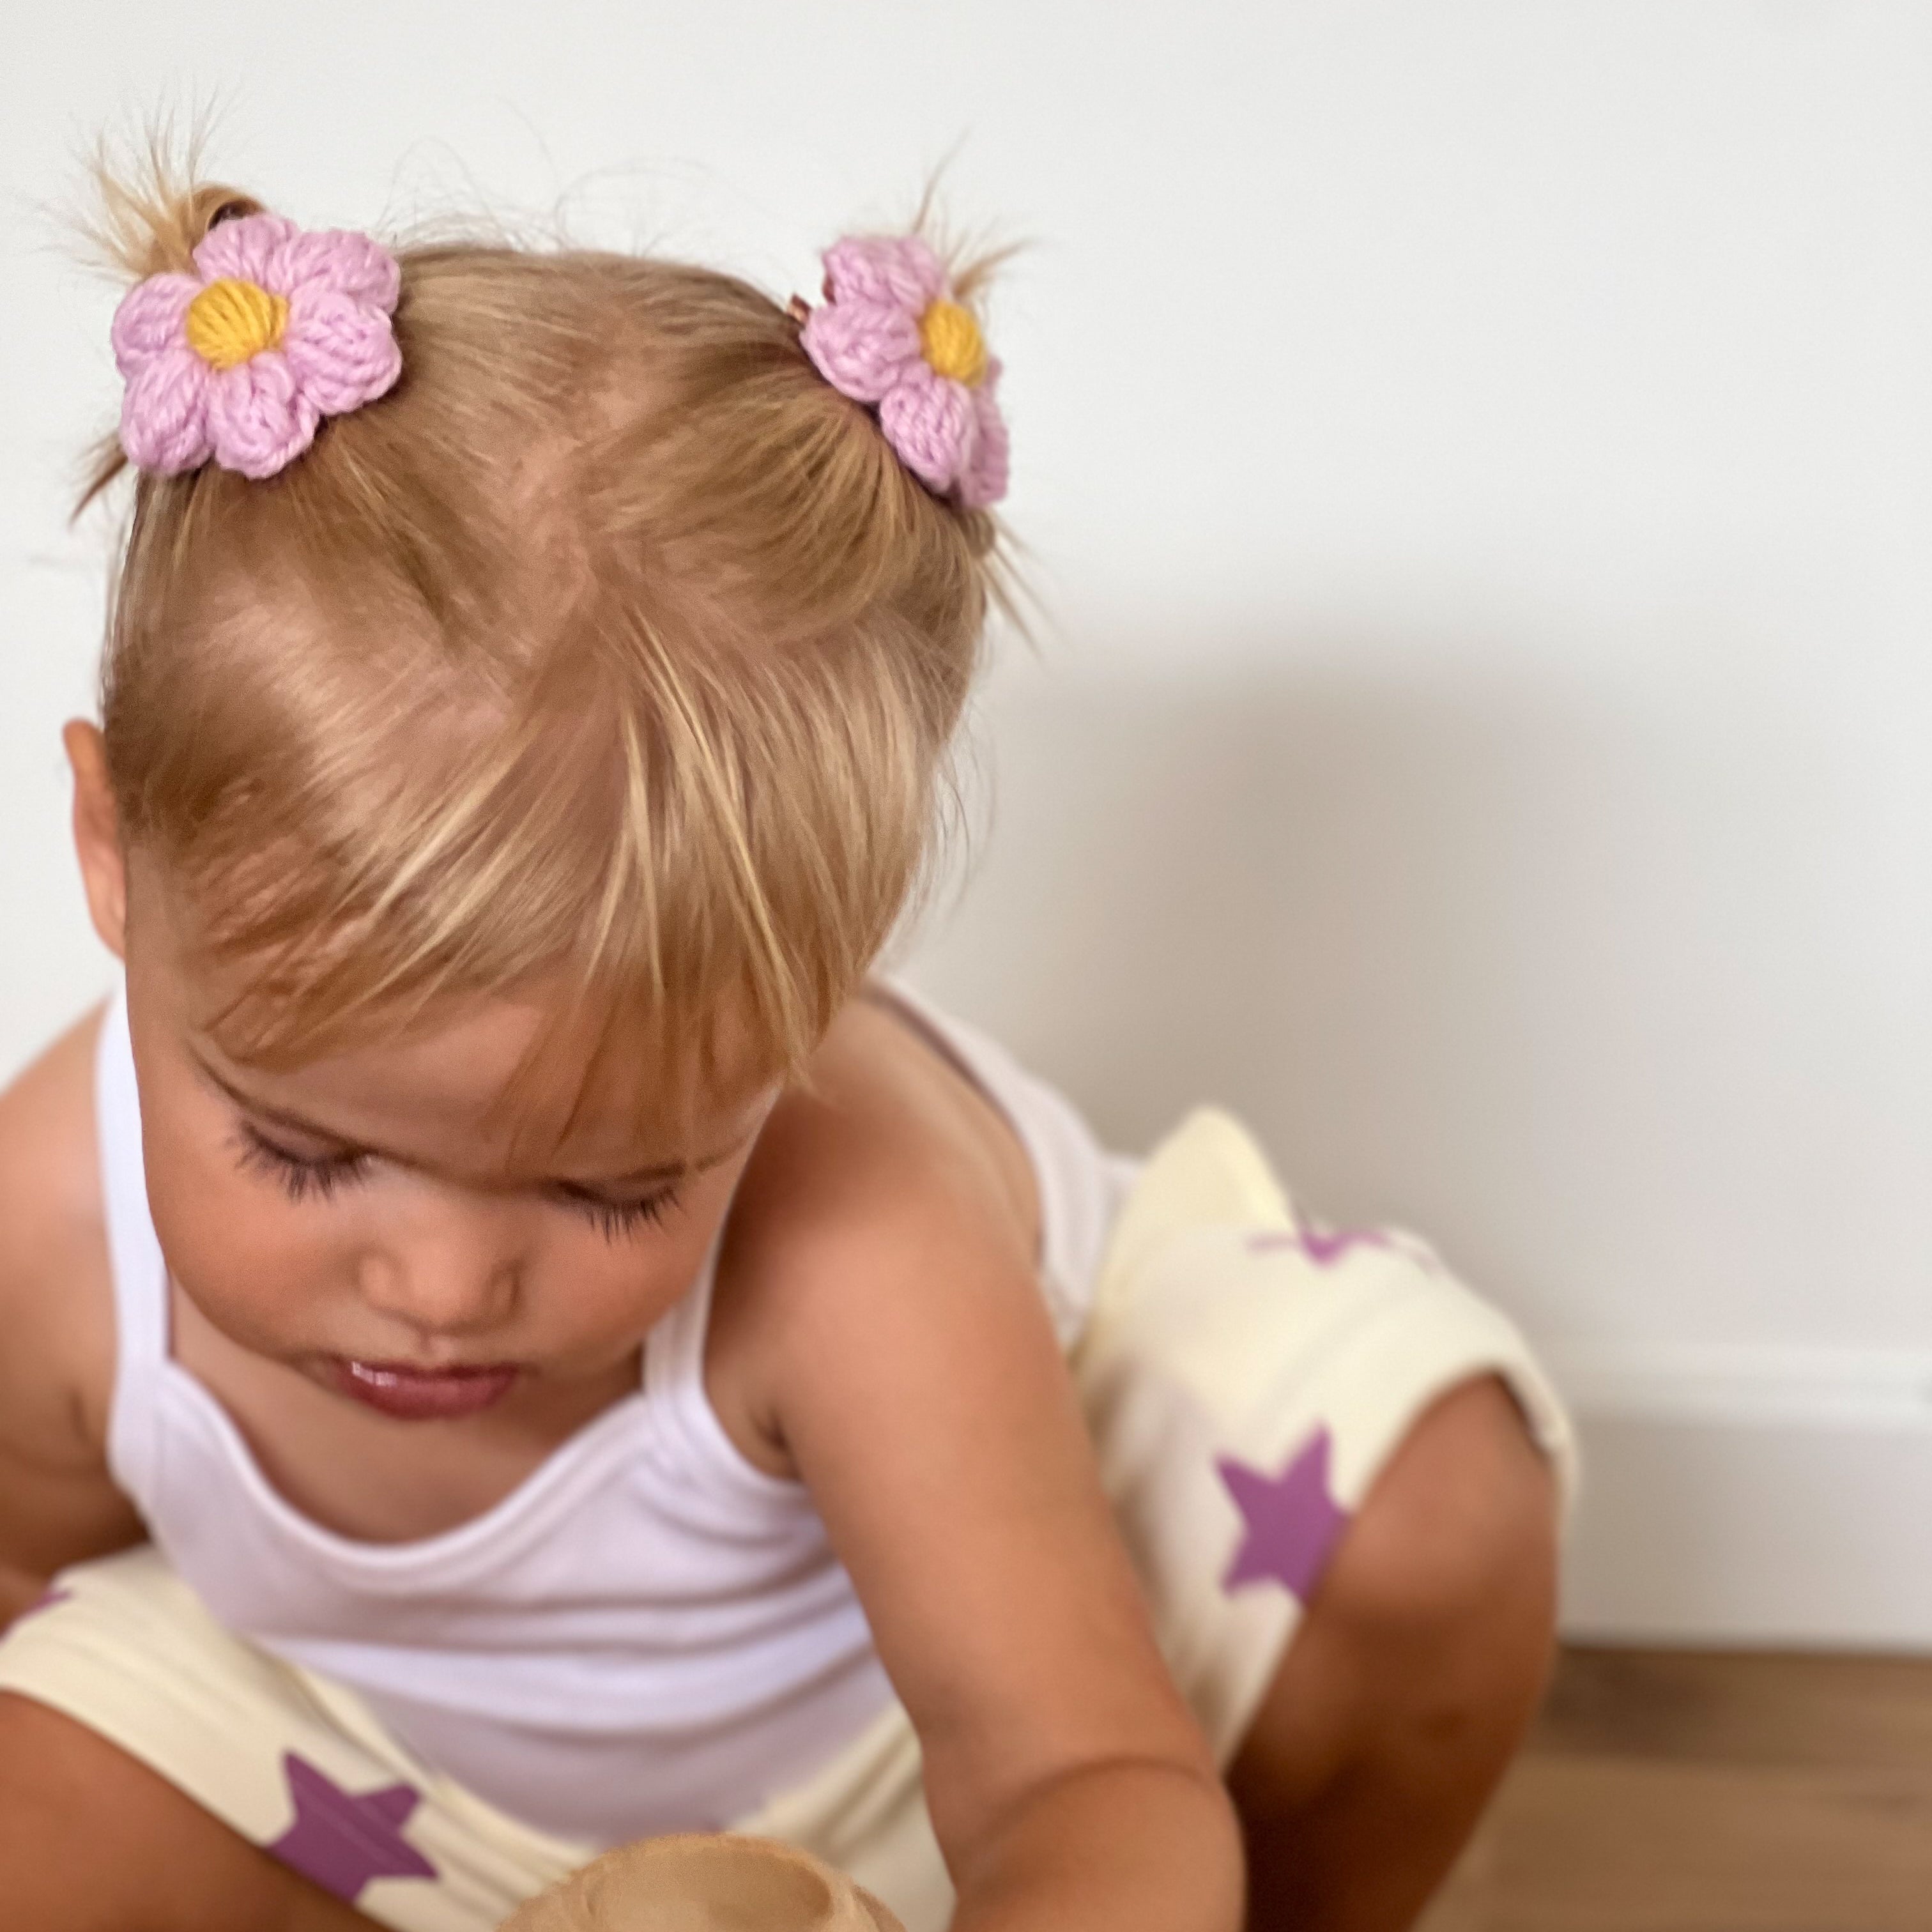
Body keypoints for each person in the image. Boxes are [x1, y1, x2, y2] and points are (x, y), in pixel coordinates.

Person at [0, 154, 1574, 1932]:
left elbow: (1079, 1772)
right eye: (301, 1152)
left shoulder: (855, 1234)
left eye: (611, 1189)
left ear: (811, 1010)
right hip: (364, 1773)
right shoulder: (51, 1223)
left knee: (1433, 1501)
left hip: (916, 1767)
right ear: (114, 856)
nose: (441, 1285)